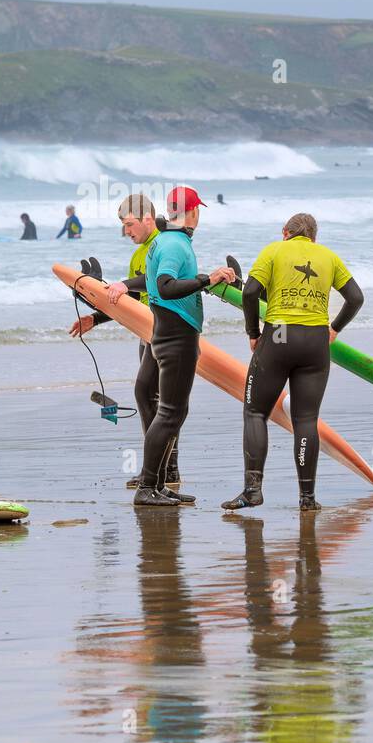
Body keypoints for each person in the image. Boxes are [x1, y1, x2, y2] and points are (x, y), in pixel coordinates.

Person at [222, 212, 364, 514]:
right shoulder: (328, 256)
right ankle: (307, 498)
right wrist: (334, 328)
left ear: (285, 232)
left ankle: (253, 490)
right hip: (315, 341)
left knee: (256, 412)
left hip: (280, 335)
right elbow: (355, 297)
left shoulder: (274, 250)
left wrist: (253, 333)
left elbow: (249, 292)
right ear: (314, 237)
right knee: (306, 420)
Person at [69, 194, 188, 500]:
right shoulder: (139, 254)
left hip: (165, 330)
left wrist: (120, 285)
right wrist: (95, 318)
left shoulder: (165, 245)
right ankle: (162, 470)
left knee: (157, 399)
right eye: (123, 226)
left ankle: (163, 471)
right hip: (146, 332)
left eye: (129, 224)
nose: (127, 232)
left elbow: (155, 283)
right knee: (152, 398)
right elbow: (132, 299)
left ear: (147, 218)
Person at [136, 186, 235, 507]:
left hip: (169, 332)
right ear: (193, 212)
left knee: (174, 412)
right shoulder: (175, 245)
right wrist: (207, 280)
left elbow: (175, 282)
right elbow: (165, 287)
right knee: (170, 413)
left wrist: (209, 281)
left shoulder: (167, 241)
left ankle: (159, 485)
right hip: (176, 337)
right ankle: (147, 487)